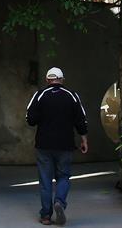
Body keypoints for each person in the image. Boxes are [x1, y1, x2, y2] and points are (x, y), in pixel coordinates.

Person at [25, 66, 89, 225]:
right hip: (65, 145)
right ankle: (59, 201)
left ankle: (46, 216)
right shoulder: (72, 96)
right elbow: (81, 119)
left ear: (47, 80)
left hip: (44, 145)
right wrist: (84, 139)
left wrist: (43, 115)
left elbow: (30, 119)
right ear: (62, 80)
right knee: (64, 176)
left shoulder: (40, 95)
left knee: (45, 180)